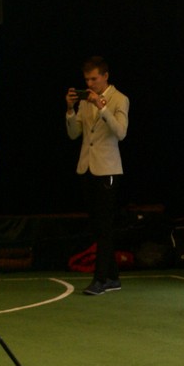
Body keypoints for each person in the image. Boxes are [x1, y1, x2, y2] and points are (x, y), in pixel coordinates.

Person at [65, 56, 129, 296]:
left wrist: (102, 107)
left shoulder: (119, 99)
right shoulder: (85, 101)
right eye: (87, 80)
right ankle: (113, 277)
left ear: (105, 76)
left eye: (93, 79)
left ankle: (100, 279)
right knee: (97, 226)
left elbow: (120, 132)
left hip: (108, 170)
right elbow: (74, 134)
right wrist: (70, 109)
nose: (89, 84)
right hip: (87, 168)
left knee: (105, 226)